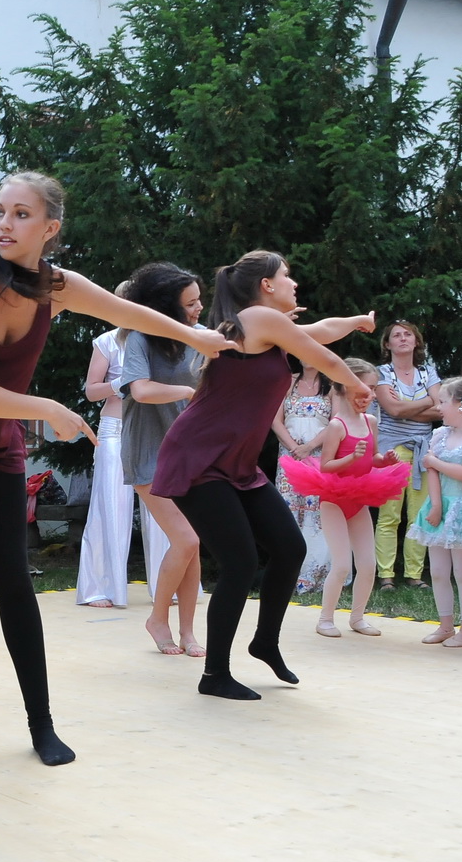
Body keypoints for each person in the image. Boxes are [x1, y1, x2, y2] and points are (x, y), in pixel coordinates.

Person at [0, 172, 228, 762]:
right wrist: (46, 407)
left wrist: (196, 338)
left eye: (21, 214)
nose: (4, 223)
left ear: (49, 228)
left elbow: (133, 313)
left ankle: (40, 724)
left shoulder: (58, 285)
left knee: (12, 574)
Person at [151, 250, 375, 701]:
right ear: (267, 285)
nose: (294, 283)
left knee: (288, 547)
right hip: (199, 456)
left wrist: (356, 321)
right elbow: (324, 357)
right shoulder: (256, 317)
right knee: (239, 562)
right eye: (287, 276)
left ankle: (264, 642)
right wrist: (356, 384)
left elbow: (318, 332)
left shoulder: (267, 329)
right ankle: (214, 675)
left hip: (235, 463)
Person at [278, 358, 409, 638]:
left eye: (373, 389)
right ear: (347, 387)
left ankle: (358, 617)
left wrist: (383, 460)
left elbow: (370, 459)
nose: (371, 395)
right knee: (340, 564)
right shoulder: (337, 425)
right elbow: (326, 465)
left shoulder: (369, 421)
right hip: (334, 499)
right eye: (366, 388)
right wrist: (352, 457)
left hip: (358, 498)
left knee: (367, 563)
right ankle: (325, 618)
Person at [115, 262, 206, 656]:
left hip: (190, 454)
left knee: (192, 545)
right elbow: (141, 390)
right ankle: (157, 618)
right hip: (149, 450)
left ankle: (187, 632)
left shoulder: (201, 338)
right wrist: (187, 393)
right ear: (168, 307)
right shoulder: (139, 339)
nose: (199, 308)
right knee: (186, 539)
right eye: (191, 303)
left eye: (200, 300)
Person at [410, 377, 462, 647]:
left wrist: (433, 461)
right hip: (440, 505)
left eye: (444, 401)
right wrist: (435, 505)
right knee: (437, 571)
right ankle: (445, 625)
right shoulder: (440, 434)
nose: (439, 407)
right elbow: (431, 471)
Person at [372, 321, 443, 590]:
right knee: (389, 515)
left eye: (407, 334)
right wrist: (427, 401)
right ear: (387, 344)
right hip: (391, 449)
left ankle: (415, 575)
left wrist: (406, 406)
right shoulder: (381, 374)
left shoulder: (429, 372)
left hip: (423, 448)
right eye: (396, 336)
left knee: (420, 514)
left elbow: (441, 409)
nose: (402, 339)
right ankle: (386, 575)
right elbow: (393, 410)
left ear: (416, 341)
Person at [77, 323, 133, 608]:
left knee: (164, 506)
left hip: (153, 428)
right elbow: (91, 391)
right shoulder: (107, 341)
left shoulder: (159, 339)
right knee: (110, 506)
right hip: (115, 429)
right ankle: (99, 587)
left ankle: (171, 585)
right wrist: (118, 383)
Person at [271, 360, 331, 594]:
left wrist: (310, 447)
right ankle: (290, 576)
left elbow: (337, 422)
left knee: (316, 514)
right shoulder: (287, 382)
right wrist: (294, 448)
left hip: (320, 456)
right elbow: (275, 419)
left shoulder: (333, 386)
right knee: (289, 512)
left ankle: (318, 576)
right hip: (289, 458)